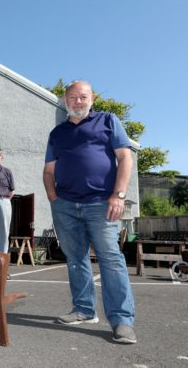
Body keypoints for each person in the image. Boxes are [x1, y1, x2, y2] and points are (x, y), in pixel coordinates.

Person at [43, 80, 136, 343]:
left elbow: (125, 157)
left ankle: (122, 321)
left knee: (111, 260)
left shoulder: (108, 121)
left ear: (92, 99)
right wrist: (54, 199)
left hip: (101, 203)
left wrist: (118, 195)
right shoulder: (57, 133)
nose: (78, 101)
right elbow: (49, 170)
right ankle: (84, 310)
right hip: (66, 206)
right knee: (76, 259)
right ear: (64, 101)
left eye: (83, 97)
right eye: (72, 97)